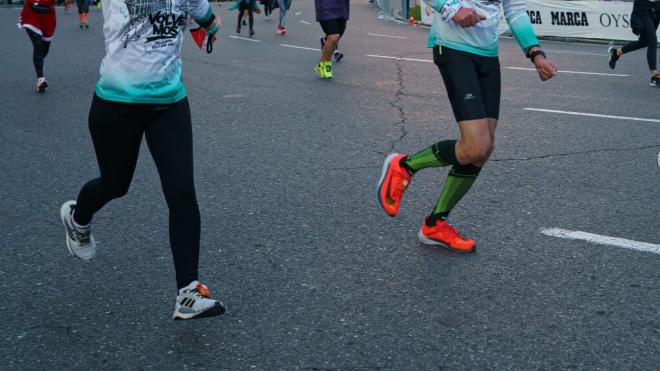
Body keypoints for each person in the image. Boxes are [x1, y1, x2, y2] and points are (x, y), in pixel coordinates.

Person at [59, 0, 225, 320]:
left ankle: (188, 292)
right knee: (115, 184)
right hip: (115, 104)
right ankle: (78, 217)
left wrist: (212, 28)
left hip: (169, 104)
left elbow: (201, 12)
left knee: (182, 192)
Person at [377, 0, 557, 253]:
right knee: (476, 145)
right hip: (453, 49)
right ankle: (404, 166)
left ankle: (435, 224)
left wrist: (535, 52)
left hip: (488, 56)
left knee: (483, 149)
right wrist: (453, 9)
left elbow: (515, 11)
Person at [608, 0, 660, 86]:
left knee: (645, 41)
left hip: (657, 6)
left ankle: (616, 53)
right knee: (652, 40)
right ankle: (654, 76)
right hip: (644, 6)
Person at [18, 0, 56, 92]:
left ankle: (39, 64)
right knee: (38, 46)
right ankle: (40, 79)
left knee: (44, 49)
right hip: (31, 14)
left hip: (48, 15)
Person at [314, 0, 349, 79]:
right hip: (326, 6)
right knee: (334, 37)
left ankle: (322, 65)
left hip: (341, 8)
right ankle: (327, 65)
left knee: (336, 37)